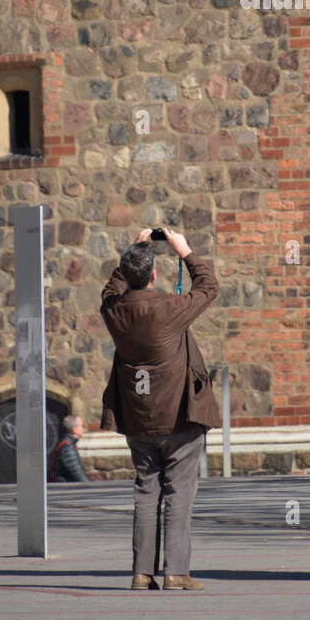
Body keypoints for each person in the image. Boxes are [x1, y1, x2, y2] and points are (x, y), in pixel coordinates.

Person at [99, 226, 221, 591]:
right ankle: (176, 573)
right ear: (154, 275)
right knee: (179, 494)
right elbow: (209, 287)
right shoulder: (170, 308)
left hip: (137, 418)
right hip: (180, 417)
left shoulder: (114, 311)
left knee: (146, 492)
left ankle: (141, 573)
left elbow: (110, 289)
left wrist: (135, 249)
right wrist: (184, 250)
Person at [48, 415, 88, 483]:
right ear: (74, 429)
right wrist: (90, 487)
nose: (83, 429)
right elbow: (78, 475)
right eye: (82, 426)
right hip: (66, 489)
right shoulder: (67, 448)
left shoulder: (68, 444)